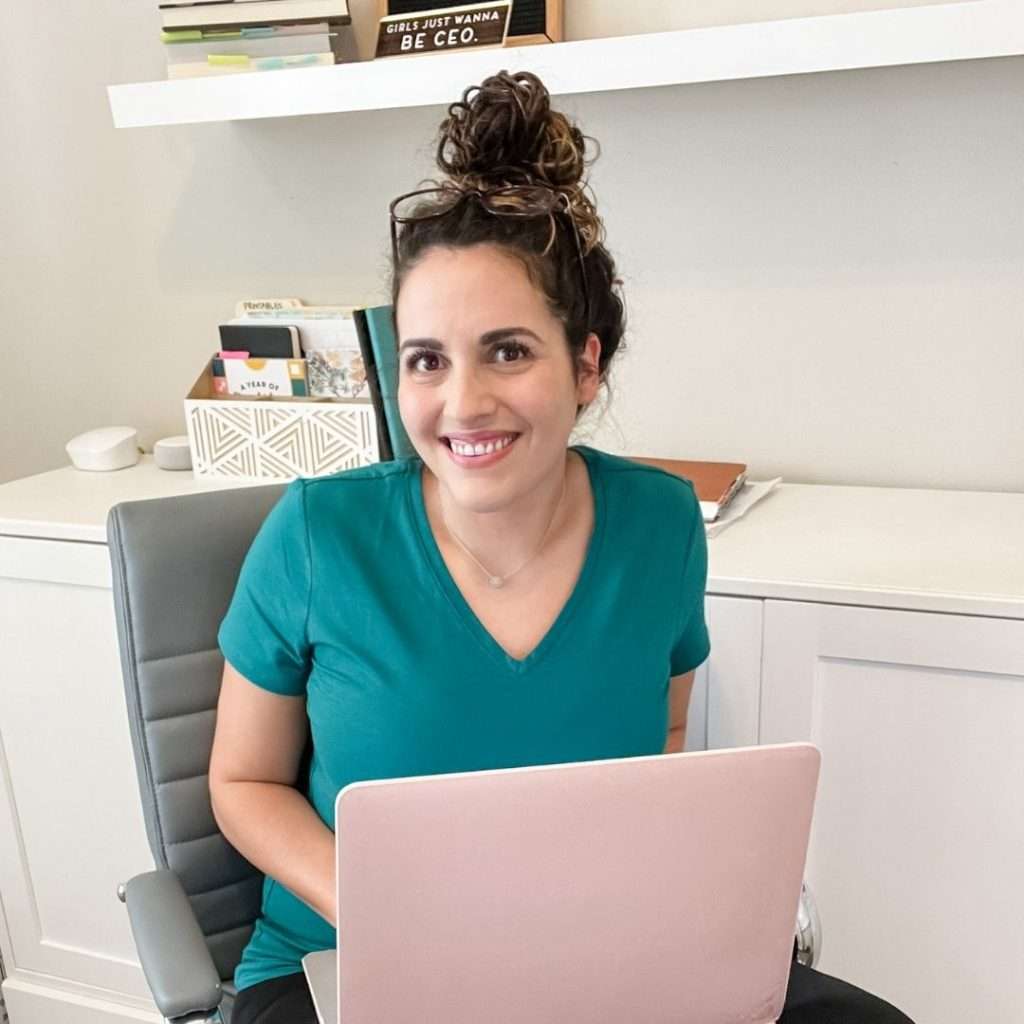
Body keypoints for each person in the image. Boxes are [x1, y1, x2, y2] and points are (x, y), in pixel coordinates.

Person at [211, 70, 914, 1024]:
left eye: (508, 351)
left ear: (584, 365)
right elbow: (243, 782)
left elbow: (657, 748)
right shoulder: (317, 534)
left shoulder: (659, 525)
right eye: (428, 360)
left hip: (593, 962)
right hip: (345, 960)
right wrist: (390, 910)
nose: (462, 404)